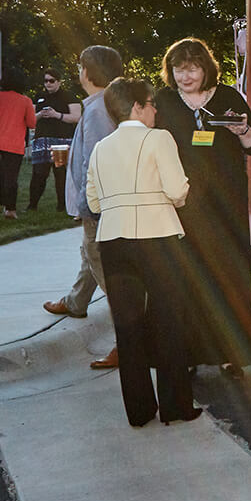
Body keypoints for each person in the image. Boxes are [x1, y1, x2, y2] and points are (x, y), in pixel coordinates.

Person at [86, 78, 197, 426]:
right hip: (158, 236)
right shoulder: (159, 138)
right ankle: (175, 407)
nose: (155, 109)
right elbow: (178, 191)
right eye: (151, 103)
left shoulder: (101, 147)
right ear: (137, 105)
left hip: (114, 240)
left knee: (128, 328)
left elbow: (92, 202)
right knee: (168, 323)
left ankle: (139, 411)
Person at [154, 37, 251, 377]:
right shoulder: (163, 101)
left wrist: (242, 129)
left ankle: (233, 354)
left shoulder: (229, 97)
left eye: (192, 69)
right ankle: (188, 355)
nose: (186, 77)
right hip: (182, 204)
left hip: (227, 204)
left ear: (206, 68)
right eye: (179, 70)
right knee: (188, 279)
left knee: (229, 277)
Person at [43, 45, 124, 370]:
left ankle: (128, 340)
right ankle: (76, 302)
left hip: (97, 206)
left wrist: (87, 206)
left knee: (102, 263)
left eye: (80, 66)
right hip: (96, 205)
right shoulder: (101, 104)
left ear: (89, 73)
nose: (77, 72)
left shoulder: (98, 110)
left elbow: (97, 163)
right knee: (89, 254)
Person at [0, 68, 36, 220]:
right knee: (10, 178)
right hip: (14, 143)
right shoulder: (25, 101)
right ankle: (10, 209)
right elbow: (31, 124)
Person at [29, 68, 82, 211]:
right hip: (42, 140)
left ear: (59, 81)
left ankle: (62, 205)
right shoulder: (39, 96)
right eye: (46, 81)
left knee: (61, 173)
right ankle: (32, 205)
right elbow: (30, 119)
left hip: (62, 140)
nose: (48, 84)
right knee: (39, 173)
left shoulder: (69, 96)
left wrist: (57, 115)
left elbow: (77, 117)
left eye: (51, 81)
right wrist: (41, 114)